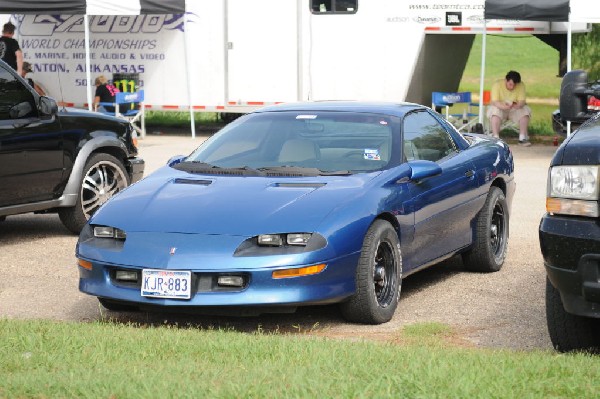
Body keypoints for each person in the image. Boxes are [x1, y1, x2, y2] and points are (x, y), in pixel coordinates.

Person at [487, 70, 532, 146]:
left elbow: (522, 101)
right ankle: (496, 137)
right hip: (500, 107)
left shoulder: (521, 85)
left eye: (514, 85)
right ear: (506, 80)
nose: (512, 87)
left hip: (514, 108)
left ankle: (522, 138)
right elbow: (495, 102)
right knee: (495, 110)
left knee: (525, 110)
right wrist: (504, 107)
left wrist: (517, 105)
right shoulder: (497, 85)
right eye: (510, 84)